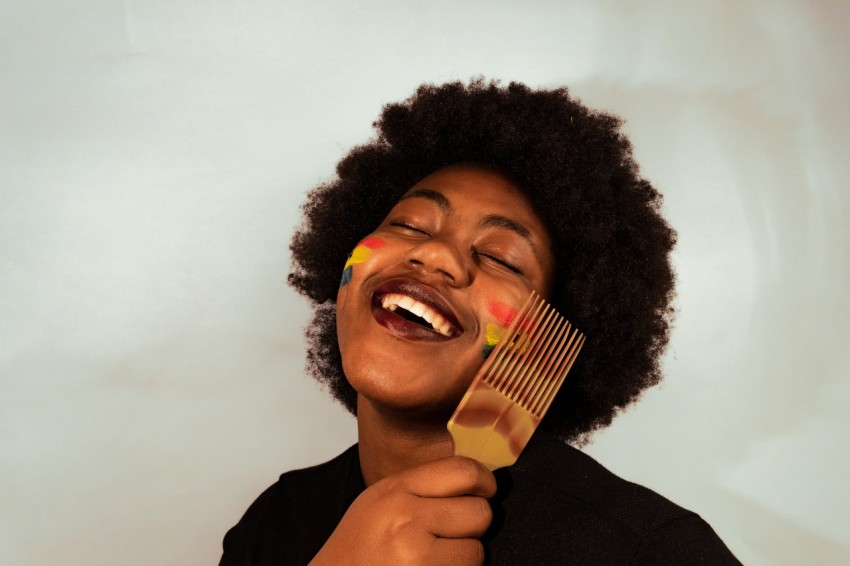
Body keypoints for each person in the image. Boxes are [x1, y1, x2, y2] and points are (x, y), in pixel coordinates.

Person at [219, 79, 740, 565]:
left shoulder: (646, 550)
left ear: (548, 335)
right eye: (409, 224)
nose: (436, 255)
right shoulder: (274, 523)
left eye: (500, 257)